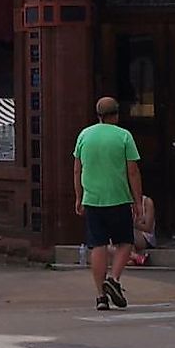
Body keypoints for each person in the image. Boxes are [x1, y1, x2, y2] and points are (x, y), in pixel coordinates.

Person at [73, 95, 143, 311]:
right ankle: (113, 278)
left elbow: (77, 168)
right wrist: (138, 201)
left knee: (98, 245)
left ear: (98, 115)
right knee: (125, 242)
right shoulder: (124, 136)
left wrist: (78, 196)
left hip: (93, 198)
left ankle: (100, 296)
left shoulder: (84, 135)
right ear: (117, 115)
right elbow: (132, 171)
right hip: (119, 197)